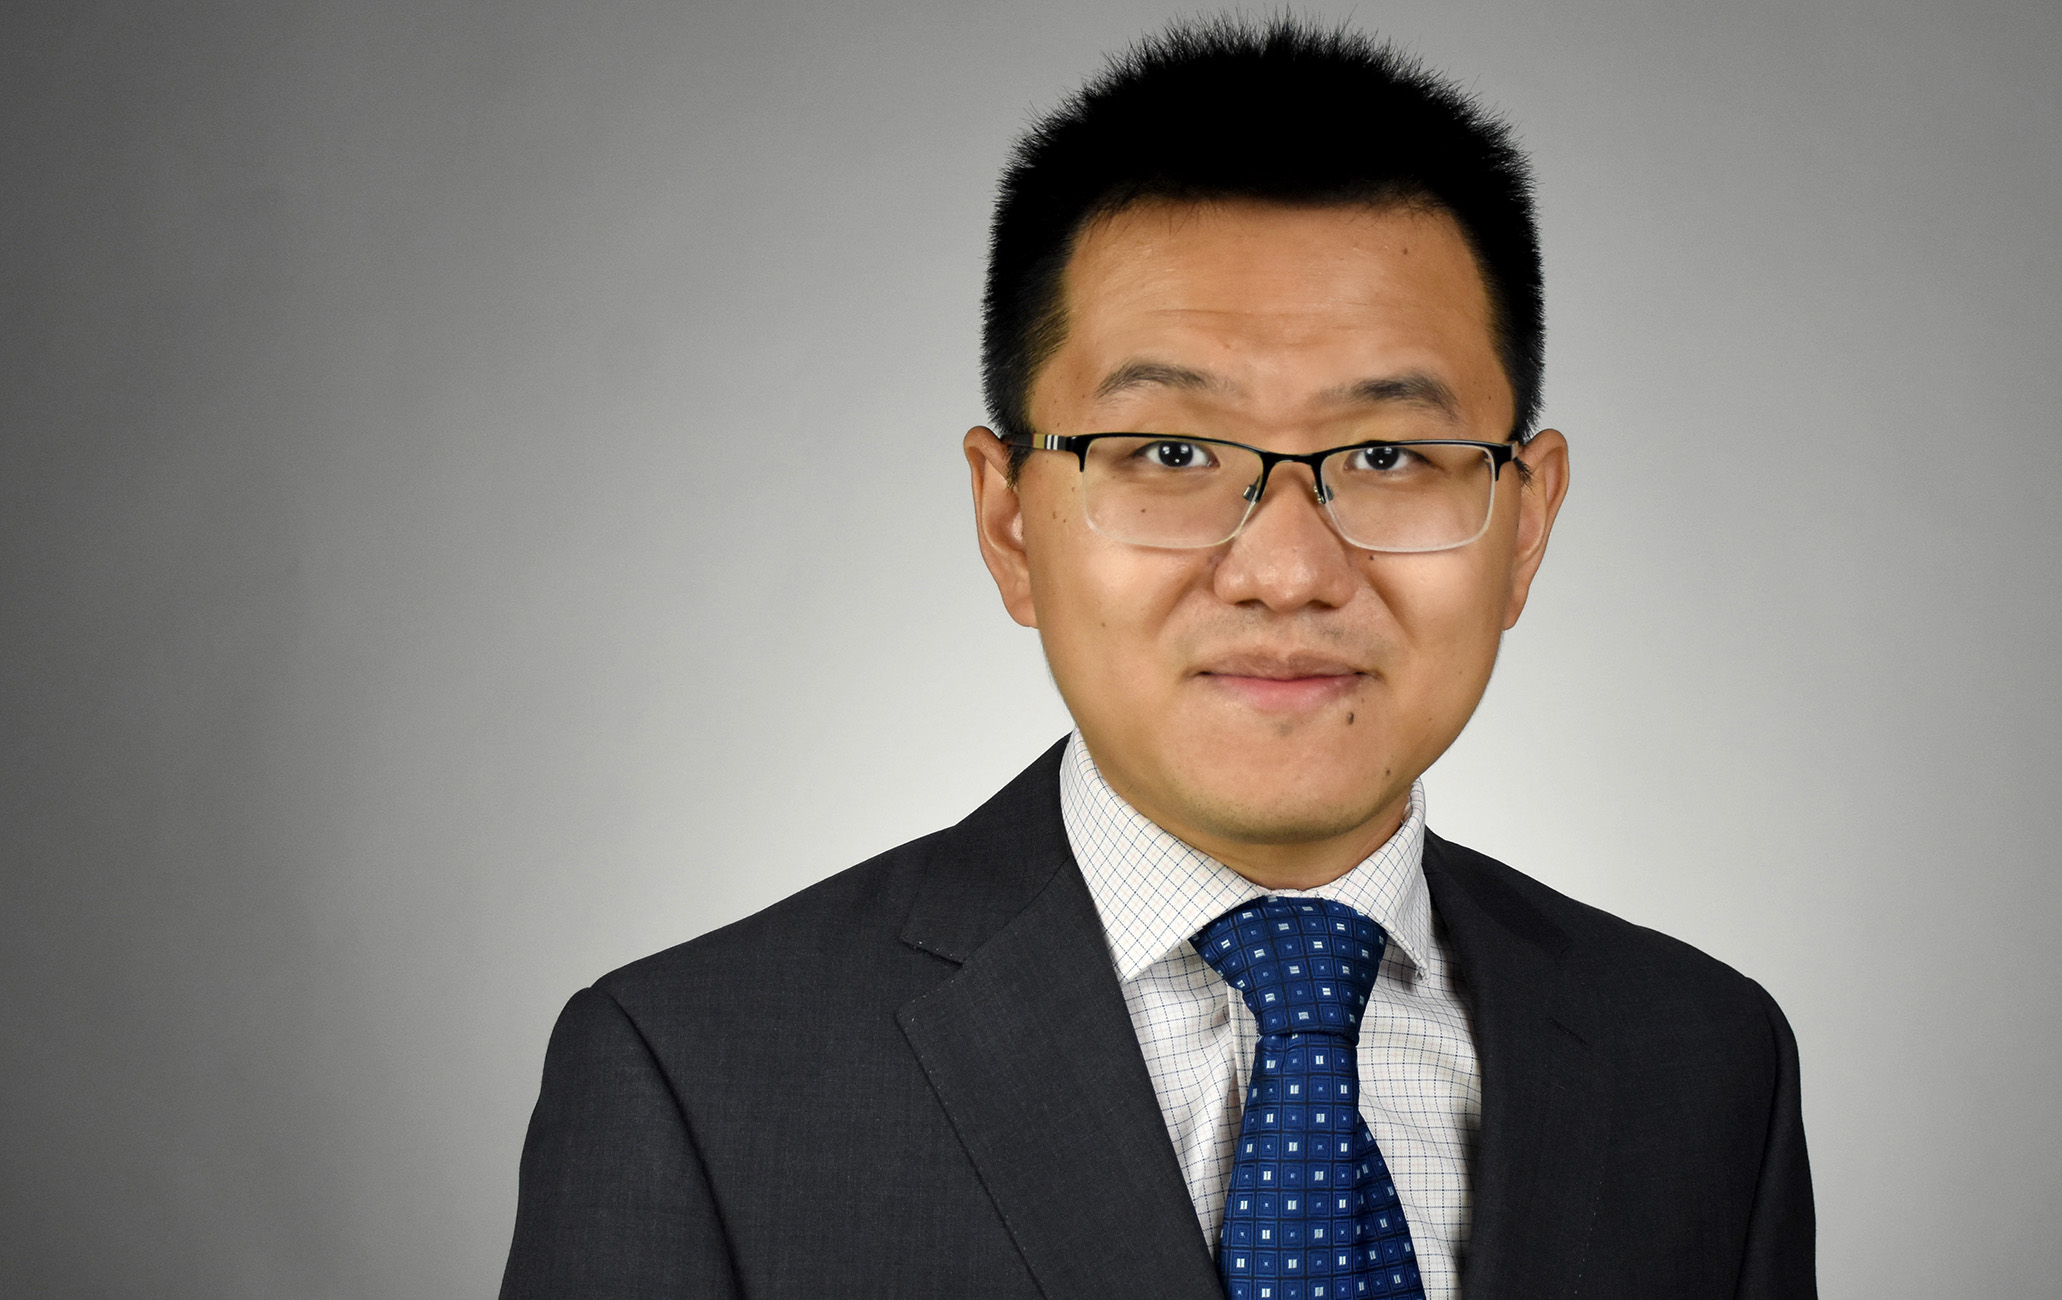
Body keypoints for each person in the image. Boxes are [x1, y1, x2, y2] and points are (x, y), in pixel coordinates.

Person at [500, 18, 1814, 1300]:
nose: (1287, 570)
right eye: (1173, 454)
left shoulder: (1704, 1063)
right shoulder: (697, 1079)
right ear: (1010, 523)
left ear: (1525, 525)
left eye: (1388, 454)